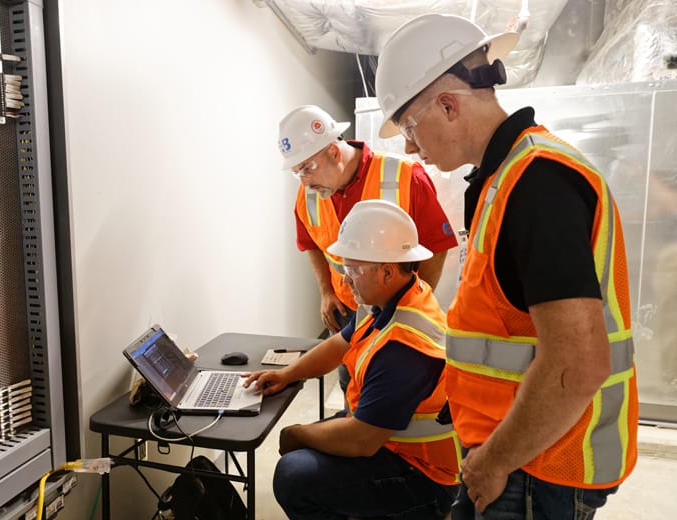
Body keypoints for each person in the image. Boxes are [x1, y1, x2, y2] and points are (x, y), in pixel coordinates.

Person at [374, 13, 638, 519]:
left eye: (407, 127)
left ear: (448, 105)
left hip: (537, 465)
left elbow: (576, 363)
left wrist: (494, 461)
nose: (408, 146)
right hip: (513, 449)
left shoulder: (537, 182)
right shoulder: (505, 176)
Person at [244, 199, 461, 520]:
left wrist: (297, 433)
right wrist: (288, 373)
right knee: (311, 443)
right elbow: (339, 345)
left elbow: (362, 441)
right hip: (392, 442)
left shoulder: (404, 348)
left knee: (293, 474)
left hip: (423, 477)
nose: (345, 280)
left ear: (387, 271)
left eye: (352, 271)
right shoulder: (392, 299)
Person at [278, 105, 458, 393]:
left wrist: (406, 307)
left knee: (389, 392)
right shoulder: (310, 193)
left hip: (396, 314)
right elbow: (310, 242)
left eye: (308, 168)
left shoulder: (405, 176)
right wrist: (326, 291)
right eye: (297, 172)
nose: (305, 181)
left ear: (334, 152)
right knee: (353, 381)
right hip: (349, 312)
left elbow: (437, 246)